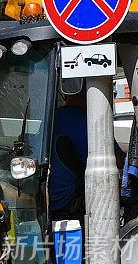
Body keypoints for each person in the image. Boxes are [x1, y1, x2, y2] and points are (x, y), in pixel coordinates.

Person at [50, 86, 125, 217]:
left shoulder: (53, 117)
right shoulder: (91, 121)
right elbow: (118, 161)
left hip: (49, 197)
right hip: (72, 199)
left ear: (66, 95)